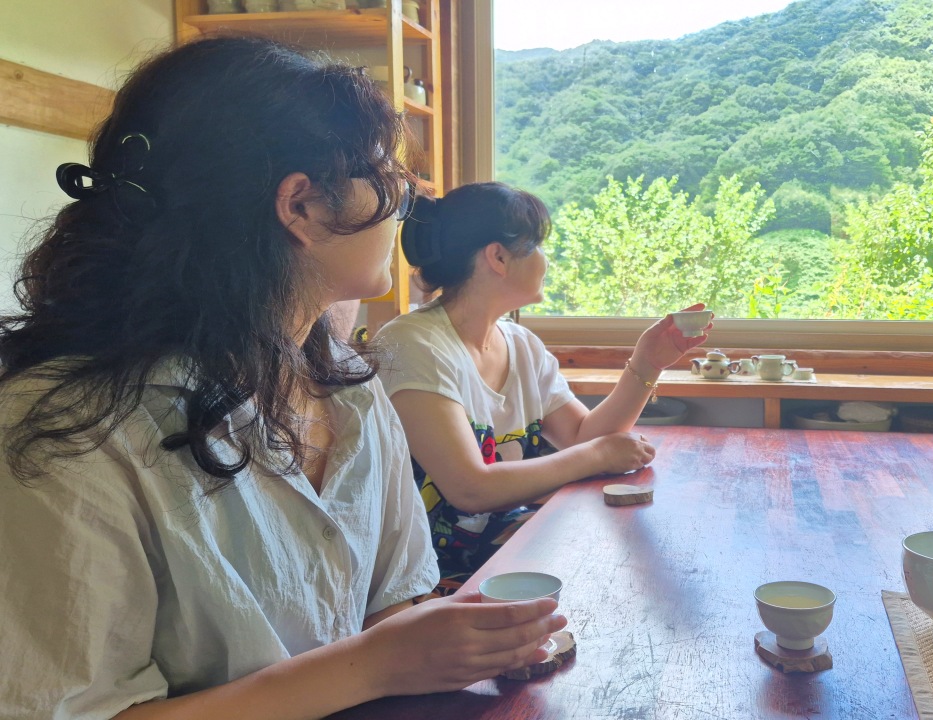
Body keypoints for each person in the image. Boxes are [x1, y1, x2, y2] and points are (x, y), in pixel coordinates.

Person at [0, 37, 565, 720]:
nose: (404, 203)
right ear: (301, 206)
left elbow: (394, 604)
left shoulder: (352, 390)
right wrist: (375, 666)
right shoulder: (65, 435)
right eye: (386, 175)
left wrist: (462, 646)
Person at [375, 182, 710, 587]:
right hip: (436, 580)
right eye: (536, 246)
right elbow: (470, 489)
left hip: (512, 552)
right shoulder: (412, 344)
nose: (545, 260)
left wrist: (648, 362)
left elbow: (583, 436)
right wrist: (598, 455)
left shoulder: (521, 344)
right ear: (498, 257)